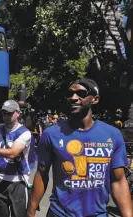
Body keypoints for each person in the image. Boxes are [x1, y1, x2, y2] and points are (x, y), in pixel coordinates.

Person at [27, 78, 133, 217]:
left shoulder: (112, 135)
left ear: (95, 99)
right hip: (60, 213)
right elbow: (42, 174)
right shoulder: (51, 134)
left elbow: (118, 181)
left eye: (81, 93)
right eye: (70, 94)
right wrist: (31, 211)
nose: (73, 98)